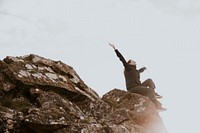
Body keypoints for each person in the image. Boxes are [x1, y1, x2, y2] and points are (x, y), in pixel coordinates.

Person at [109, 43, 166, 111]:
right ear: (129, 63)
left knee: (149, 80)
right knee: (149, 91)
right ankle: (157, 106)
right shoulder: (128, 68)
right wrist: (115, 49)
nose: (135, 62)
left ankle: (154, 93)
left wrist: (143, 68)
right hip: (133, 88)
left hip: (138, 86)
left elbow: (139, 71)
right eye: (133, 61)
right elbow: (122, 59)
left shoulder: (135, 71)